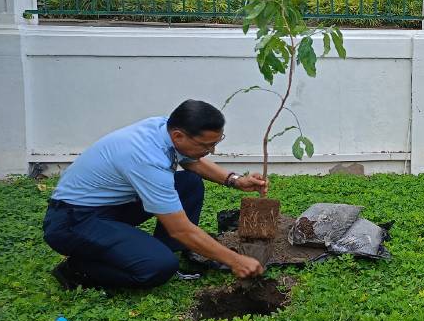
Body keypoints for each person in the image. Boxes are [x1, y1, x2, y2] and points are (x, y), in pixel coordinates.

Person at [43, 100, 267, 290]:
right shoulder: (146, 158)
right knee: (157, 267)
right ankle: (78, 269)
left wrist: (236, 180)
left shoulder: (163, 128)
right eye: (207, 145)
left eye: (216, 143)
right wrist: (235, 260)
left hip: (110, 207)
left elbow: (191, 162)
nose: (212, 151)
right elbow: (180, 229)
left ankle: (164, 250)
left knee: (188, 183)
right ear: (179, 135)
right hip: (72, 222)